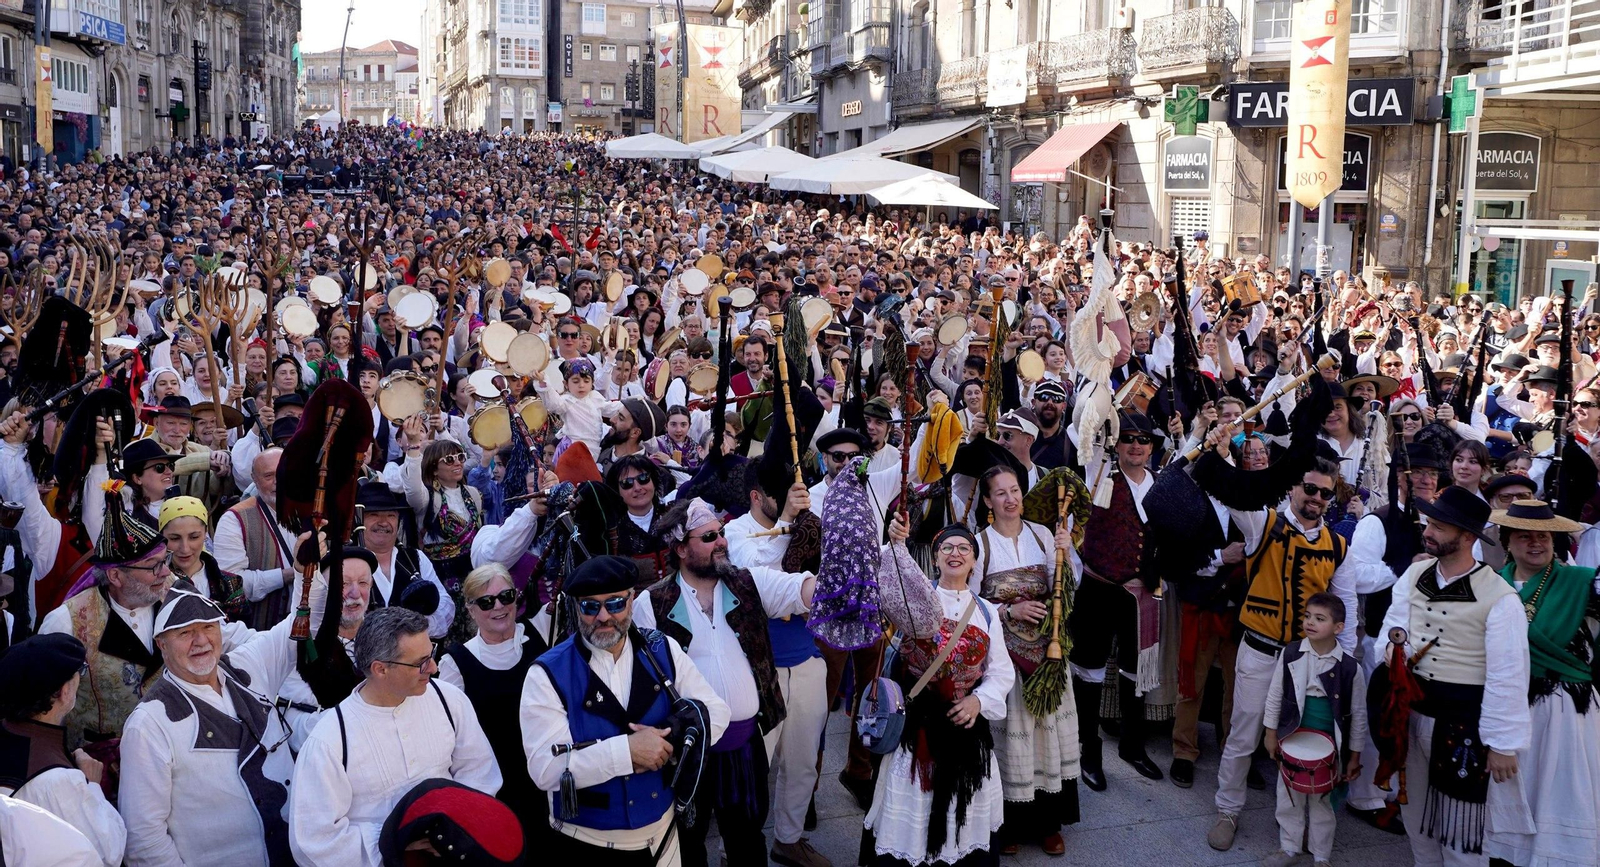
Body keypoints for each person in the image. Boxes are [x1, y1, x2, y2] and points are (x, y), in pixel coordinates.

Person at [633, 497, 816, 867]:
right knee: (689, 843)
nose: (722, 541)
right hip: (687, 753)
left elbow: (800, 590)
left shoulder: (747, 582)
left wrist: (842, 570)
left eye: (721, 533)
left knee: (748, 841)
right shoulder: (651, 604)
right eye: (709, 536)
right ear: (681, 548)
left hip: (744, 749)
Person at [519, 555, 731, 865]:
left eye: (615, 603)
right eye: (590, 606)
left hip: (664, 837)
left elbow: (716, 712)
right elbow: (545, 769)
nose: (604, 616)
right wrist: (627, 751)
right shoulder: (546, 673)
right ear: (576, 607)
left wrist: (665, 742)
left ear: (631, 600)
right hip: (587, 843)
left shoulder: (663, 650)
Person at [1199, 450, 1360, 852]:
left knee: (1304, 739)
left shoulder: (1338, 546)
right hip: (1260, 650)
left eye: (1325, 493)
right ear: (1292, 486)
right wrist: (1216, 448)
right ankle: (1228, 809)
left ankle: (1298, 824)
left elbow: (1347, 607)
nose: (1316, 499)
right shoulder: (1263, 523)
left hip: (1308, 660)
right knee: (1243, 733)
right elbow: (1236, 496)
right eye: (1309, 488)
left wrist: (1346, 661)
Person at [1379, 485, 1529, 867]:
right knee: (1415, 822)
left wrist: (1502, 744)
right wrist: (1397, 649)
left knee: (1462, 835)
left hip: (1464, 724)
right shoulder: (1414, 574)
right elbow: (1392, 629)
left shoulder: (1500, 596)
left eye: (1439, 527)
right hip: (1411, 714)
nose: (1427, 532)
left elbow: (1508, 674)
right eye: (1429, 523)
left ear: (1466, 537)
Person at [288, 607, 501, 867]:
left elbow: (480, 773)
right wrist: (394, 837)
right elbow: (312, 841)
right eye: (420, 662)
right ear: (380, 669)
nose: (433, 668)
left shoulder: (450, 700)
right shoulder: (330, 740)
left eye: (431, 653)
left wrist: (454, 824)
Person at [862, 523, 1014, 867]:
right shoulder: (914, 600)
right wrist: (897, 540)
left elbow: (1001, 672)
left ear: (974, 561)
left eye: (964, 548)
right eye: (947, 548)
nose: (955, 553)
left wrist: (978, 701)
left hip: (965, 726)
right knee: (914, 806)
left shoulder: (988, 612)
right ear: (935, 558)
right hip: (918, 726)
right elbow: (888, 574)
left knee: (961, 814)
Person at [118, 583, 301, 867]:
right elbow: (143, 838)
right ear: (161, 644)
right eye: (185, 632)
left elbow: (301, 623)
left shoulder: (247, 667)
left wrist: (310, 570)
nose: (201, 640)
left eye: (208, 627)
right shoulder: (148, 724)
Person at [1485, 499, 1599, 867]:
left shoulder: (1581, 582)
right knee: (1516, 791)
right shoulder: (1489, 586)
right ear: (1508, 543)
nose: (1537, 543)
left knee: (1561, 790)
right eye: (1525, 536)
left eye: (1544, 536)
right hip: (1506, 707)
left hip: (1565, 710)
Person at [724, 469, 829, 867]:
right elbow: (753, 571)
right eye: (783, 494)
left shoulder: (809, 523)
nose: (794, 500)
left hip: (805, 659)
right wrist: (786, 522)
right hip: (757, 670)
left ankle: (789, 839)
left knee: (802, 763)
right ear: (757, 496)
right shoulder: (734, 532)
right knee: (752, 768)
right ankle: (732, 850)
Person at [975, 466, 1080, 856]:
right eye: (1000, 493)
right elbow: (968, 605)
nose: (1010, 499)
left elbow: (1066, 589)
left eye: (1015, 490)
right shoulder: (979, 543)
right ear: (987, 501)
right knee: (1012, 744)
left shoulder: (1043, 534)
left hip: (1049, 653)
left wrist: (1065, 555)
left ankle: (1049, 823)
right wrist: (1008, 612)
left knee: (1046, 737)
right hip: (1006, 660)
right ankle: (1009, 824)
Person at [1070, 411, 1160, 791]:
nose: (1135, 445)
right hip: (1097, 587)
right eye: (1129, 439)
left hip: (1140, 594)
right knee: (1088, 670)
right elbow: (1081, 429)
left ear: (1152, 447)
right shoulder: (1099, 473)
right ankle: (1088, 752)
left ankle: (1132, 746)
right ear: (1117, 444)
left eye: (1143, 440)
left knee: (1134, 670)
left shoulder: (1159, 484)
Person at [437, 563, 551, 847]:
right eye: (487, 601)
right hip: (497, 787)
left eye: (506, 596)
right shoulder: (456, 663)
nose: (499, 607)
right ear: (471, 610)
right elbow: (448, 735)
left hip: (549, 779)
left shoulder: (541, 633)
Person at [1259, 593, 1368, 867]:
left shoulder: (1350, 668)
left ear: (1338, 627)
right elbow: (1275, 695)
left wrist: (1354, 755)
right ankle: (1289, 848)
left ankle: (1321, 856)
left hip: (1329, 742)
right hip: (1293, 735)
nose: (1310, 622)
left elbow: (1358, 714)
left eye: (1320, 619)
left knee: (1322, 802)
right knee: (1288, 796)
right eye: (1307, 616)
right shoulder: (1292, 652)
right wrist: (1271, 732)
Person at [0, 633, 126, 867]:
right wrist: (93, 787)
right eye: (80, 674)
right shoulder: (58, 782)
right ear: (64, 691)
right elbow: (107, 852)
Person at [213, 447, 300, 630]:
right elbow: (231, 584)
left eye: (283, 473)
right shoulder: (234, 519)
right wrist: (289, 575)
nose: (279, 482)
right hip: (259, 634)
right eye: (269, 476)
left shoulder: (309, 510)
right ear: (254, 480)